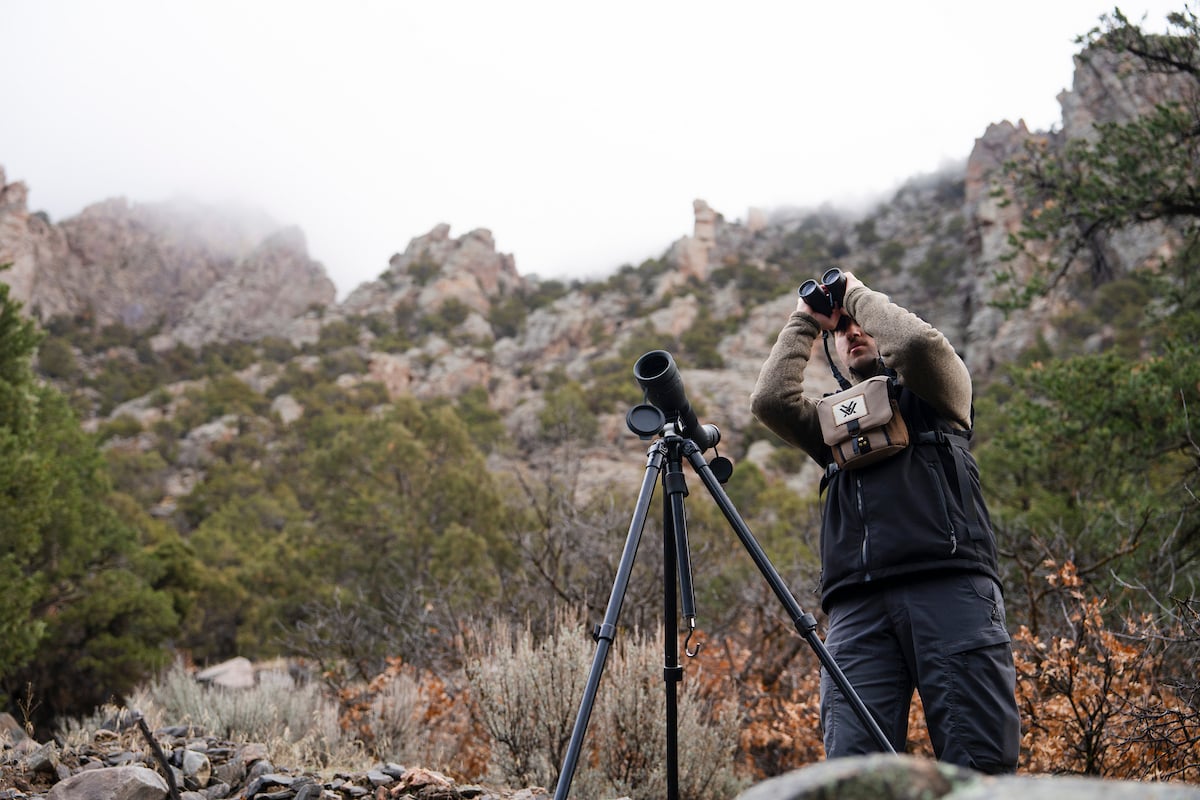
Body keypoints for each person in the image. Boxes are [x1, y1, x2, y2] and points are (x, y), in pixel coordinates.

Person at [749, 270, 1020, 774]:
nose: (851, 332)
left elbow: (916, 344)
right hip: (857, 609)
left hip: (949, 589)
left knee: (979, 768)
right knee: (852, 774)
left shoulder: (940, 394)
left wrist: (852, 293)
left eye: (862, 324)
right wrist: (806, 320)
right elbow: (769, 401)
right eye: (842, 329)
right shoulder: (833, 425)